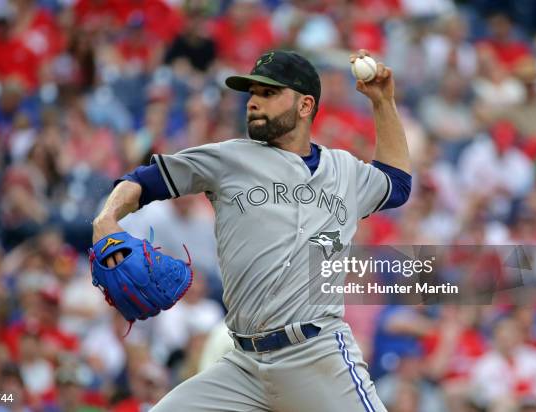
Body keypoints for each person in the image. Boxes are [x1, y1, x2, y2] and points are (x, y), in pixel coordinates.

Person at [92, 49, 411, 411]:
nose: (254, 102)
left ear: (305, 106)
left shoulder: (345, 170)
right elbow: (142, 181)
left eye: (269, 93)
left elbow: (397, 184)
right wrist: (105, 220)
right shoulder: (228, 159)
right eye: (253, 93)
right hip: (243, 365)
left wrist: (383, 102)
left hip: (316, 355)